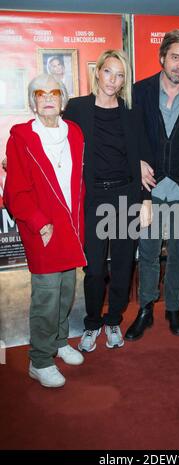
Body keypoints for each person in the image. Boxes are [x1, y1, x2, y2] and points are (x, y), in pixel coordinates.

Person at [63, 50, 151, 353]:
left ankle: (113, 319)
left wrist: (147, 199)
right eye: (109, 72)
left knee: (124, 264)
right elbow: (56, 144)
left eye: (120, 75)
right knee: (95, 268)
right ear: (97, 72)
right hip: (94, 196)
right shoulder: (76, 108)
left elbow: (144, 157)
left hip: (126, 194)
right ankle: (92, 323)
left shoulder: (131, 112)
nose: (113, 80)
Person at [3, 74, 86, 387]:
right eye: (40, 93)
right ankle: (39, 360)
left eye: (54, 92)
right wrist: (40, 223)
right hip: (43, 229)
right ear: (32, 101)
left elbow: (78, 183)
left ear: (62, 99)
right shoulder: (21, 138)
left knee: (66, 291)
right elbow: (16, 193)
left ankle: (60, 341)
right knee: (47, 296)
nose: (48, 97)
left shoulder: (74, 133)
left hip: (70, 227)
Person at [124, 29, 179, 341]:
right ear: (162, 58)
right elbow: (130, 135)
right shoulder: (140, 91)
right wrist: (136, 162)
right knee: (146, 251)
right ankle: (146, 308)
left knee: (177, 251)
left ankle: (172, 306)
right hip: (149, 187)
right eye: (175, 57)